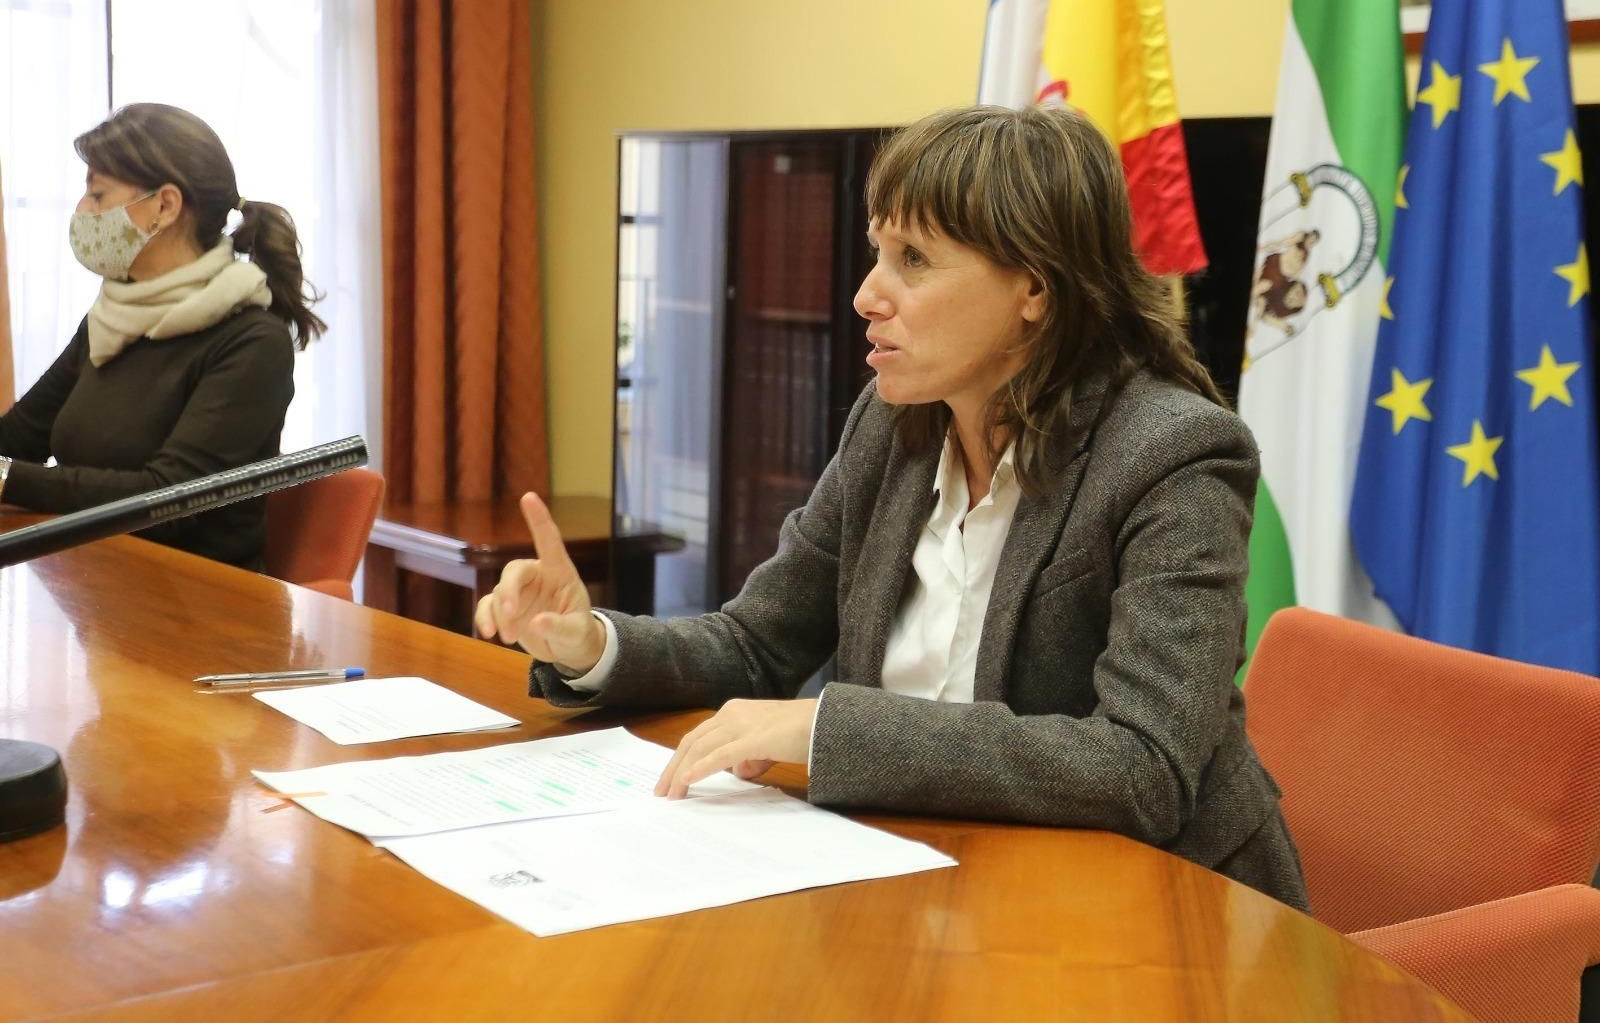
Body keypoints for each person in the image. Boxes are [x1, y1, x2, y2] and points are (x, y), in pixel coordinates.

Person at [476, 105, 1310, 911]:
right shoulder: (892, 424)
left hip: (1167, 914)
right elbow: (757, 642)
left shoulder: (1176, 454)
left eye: (914, 259)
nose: (867, 295)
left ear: (1035, 288)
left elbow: (1143, 767)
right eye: (878, 251)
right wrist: (594, 645)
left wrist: (828, 731)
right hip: (934, 874)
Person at [0, 103, 325, 570]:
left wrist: (9, 481)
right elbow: (17, 437)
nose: (82, 211)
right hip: (96, 580)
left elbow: (169, 500)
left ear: (164, 206)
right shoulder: (111, 319)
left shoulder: (253, 341)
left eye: (97, 194)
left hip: (197, 605)